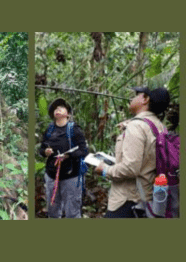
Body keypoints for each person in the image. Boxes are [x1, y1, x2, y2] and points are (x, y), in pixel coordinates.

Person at [94, 87, 170, 218]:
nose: (132, 98)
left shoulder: (137, 126)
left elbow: (130, 168)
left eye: (137, 95)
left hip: (127, 201)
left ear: (145, 99)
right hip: (148, 199)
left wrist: (105, 170)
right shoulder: (160, 127)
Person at [39, 98, 88, 218]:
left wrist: (69, 155)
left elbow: (84, 151)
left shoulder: (74, 130)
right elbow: (41, 149)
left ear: (68, 114)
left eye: (61, 108)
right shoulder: (49, 130)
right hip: (52, 176)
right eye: (55, 108)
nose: (57, 110)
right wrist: (45, 151)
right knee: (53, 211)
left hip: (71, 176)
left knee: (72, 212)